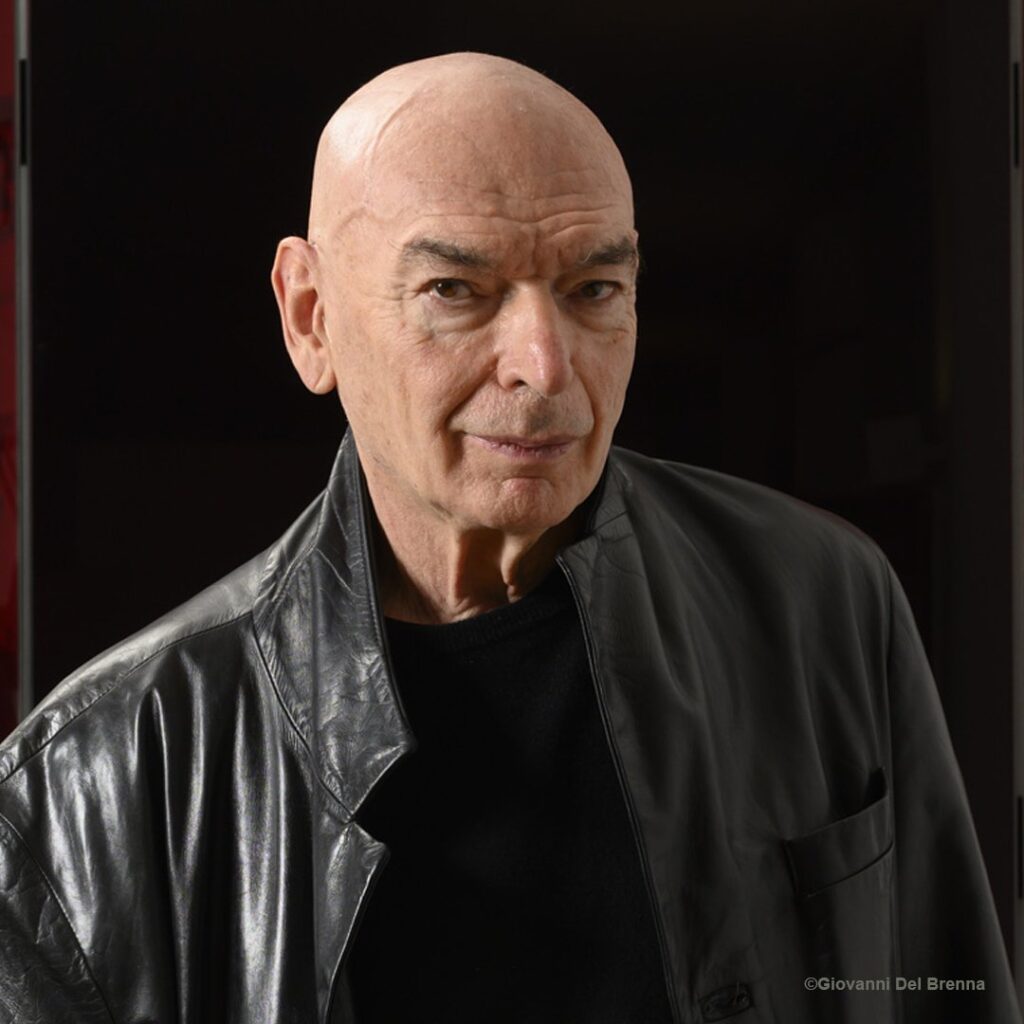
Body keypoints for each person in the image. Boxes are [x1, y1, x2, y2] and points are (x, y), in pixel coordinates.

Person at [0, 51, 1018, 1024]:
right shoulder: (86, 785)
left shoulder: (820, 599)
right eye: (455, 290)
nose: (544, 365)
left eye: (593, 289)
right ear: (310, 318)